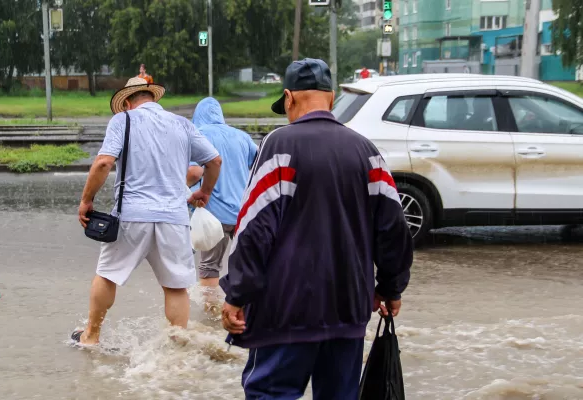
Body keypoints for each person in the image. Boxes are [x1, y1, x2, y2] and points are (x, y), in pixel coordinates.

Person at [219, 58, 413, 399]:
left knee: (271, 393)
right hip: (349, 307)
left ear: (289, 98)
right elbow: (395, 228)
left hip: (286, 309)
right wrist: (390, 287)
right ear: (332, 96)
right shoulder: (367, 152)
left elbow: (254, 228)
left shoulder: (279, 146)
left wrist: (237, 293)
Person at [72, 77, 222, 346]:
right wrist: (204, 192)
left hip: (132, 215)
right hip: (174, 219)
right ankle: (177, 348)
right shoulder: (182, 125)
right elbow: (214, 160)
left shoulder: (123, 120)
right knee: (176, 287)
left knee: (108, 275)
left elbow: (104, 162)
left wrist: (86, 200)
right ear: (153, 99)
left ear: (127, 102)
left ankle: (91, 335)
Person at [190, 97, 258, 300]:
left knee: (209, 267)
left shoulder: (198, 136)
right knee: (246, 265)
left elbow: (194, 172)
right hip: (243, 214)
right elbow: (260, 163)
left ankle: (211, 319)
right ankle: (244, 313)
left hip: (212, 215)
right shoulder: (242, 137)